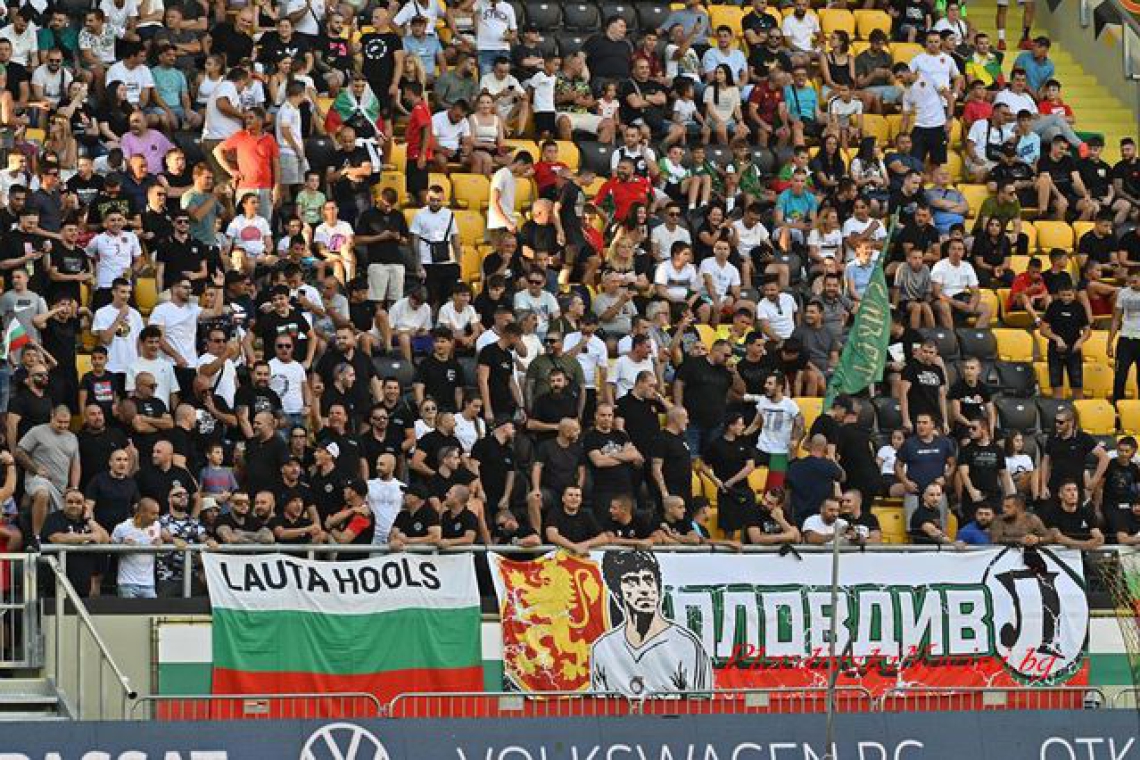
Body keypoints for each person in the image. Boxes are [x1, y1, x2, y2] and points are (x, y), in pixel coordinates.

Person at [590, 550, 712, 696]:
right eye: (631, 581)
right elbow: (599, 705)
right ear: (617, 592)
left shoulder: (687, 644)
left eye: (648, 579)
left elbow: (700, 705)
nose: (644, 589)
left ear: (658, 587)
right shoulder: (603, 647)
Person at [111, 498, 163, 598]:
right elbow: (111, 546)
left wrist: (160, 541)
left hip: (149, 584)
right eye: (153, 514)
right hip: (127, 583)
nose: (157, 517)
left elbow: (159, 541)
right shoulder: (122, 528)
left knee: (153, 608)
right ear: (141, 512)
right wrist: (122, 545)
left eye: (157, 514)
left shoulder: (157, 525)